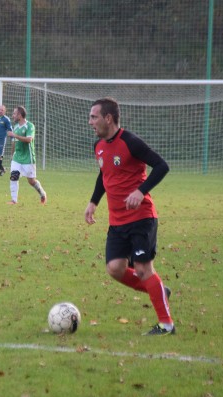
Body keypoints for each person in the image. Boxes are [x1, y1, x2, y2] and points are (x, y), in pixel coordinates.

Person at [84, 97, 174, 336]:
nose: (90, 121)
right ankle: (159, 291)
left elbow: (162, 165)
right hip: (117, 221)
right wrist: (94, 202)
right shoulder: (99, 146)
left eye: (94, 116)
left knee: (144, 269)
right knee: (115, 268)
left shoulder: (131, 142)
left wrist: (141, 191)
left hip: (141, 218)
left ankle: (166, 325)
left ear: (108, 118)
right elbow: (104, 174)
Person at [6, 106, 47, 205]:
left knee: (31, 181)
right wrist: (12, 155)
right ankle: (14, 200)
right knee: (14, 176)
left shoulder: (30, 126)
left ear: (20, 115)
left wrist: (14, 135)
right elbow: (14, 142)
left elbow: (29, 140)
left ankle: (42, 193)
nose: (13, 115)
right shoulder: (15, 127)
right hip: (17, 157)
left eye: (15, 114)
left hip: (28, 158)